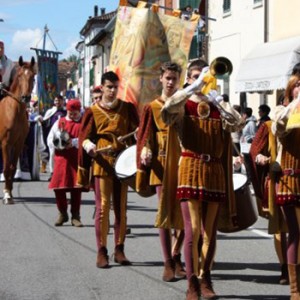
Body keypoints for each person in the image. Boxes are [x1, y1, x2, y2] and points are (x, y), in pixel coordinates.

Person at [161, 61, 244, 299]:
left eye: (204, 76)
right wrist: (190, 89)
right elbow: (166, 112)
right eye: (197, 76)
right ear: (189, 78)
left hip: (214, 170)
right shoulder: (182, 103)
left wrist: (219, 101)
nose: (202, 80)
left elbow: (237, 123)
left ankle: (205, 277)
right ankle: (191, 282)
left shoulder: (216, 105)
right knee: (193, 229)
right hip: (189, 166)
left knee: (210, 232)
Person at [77, 71, 139, 268]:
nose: (112, 91)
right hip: (102, 162)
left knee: (121, 207)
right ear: (101, 88)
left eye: (115, 87)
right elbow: (84, 137)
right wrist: (89, 147)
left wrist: (138, 134)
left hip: (122, 162)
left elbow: (138, 131)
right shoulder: (92, 111)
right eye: (109, 87)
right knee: (103, 208)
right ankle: (101, 250)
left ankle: (119, 249)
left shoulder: (127, 109)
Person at [136, 62, 185, 282]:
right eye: (167, 78)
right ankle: (167, 262)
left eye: (174, 78)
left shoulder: (185, 104)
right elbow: (146, 134)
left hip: (183, 164)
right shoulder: (152, 106)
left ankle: (177, 256)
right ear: (161, 79)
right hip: (162, 164)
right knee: (164, 214)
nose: (171, 82)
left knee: (186, 214)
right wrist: (146, 148)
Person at [249, 120, 288, 285]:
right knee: (280, 228)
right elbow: (254, 150)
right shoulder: (269, 126)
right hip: (278, 181)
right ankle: (285, 268)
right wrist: (260, 156)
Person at [272, 75, 300, 299]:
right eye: (298, 85)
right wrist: (295, 103)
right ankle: (295, 289)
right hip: (289, 179)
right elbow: (278, 128)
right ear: (291, 89)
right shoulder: (280, 111)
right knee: (295, 231)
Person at [48, 99, 83, 227]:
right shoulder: (60, 121)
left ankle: (75, 215)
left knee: (76, 188)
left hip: (75, 159)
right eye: (70, 113)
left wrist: (73, 142)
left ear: (79, 112)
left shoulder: (83, 123)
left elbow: (86, 139)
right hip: (61, 160)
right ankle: (62, 213)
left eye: (75, 113)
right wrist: (58, 144)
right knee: (58, 187)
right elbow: (51, 138)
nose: (73, 116)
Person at [37, 95, 66, 177]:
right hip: (52, 136)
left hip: (63, 136)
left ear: (63, 101)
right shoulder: (50, 112)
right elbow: (45, 123)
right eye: (56, 100)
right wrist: (41, 121)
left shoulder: (66, 112)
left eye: (60, 100)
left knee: (63, 155)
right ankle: (52, 173)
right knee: (52, 153)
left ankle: (62, 173)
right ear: (54, 102)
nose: (58, 102)